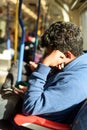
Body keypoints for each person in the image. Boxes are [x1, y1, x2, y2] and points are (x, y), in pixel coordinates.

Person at [0, 21, 87, 128]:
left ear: (67, 55)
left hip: (37, 121)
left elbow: (31, 107)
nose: (47, 57)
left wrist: (45, 65)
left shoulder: (76, 80)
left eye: (49, 54)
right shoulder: (75, 64)